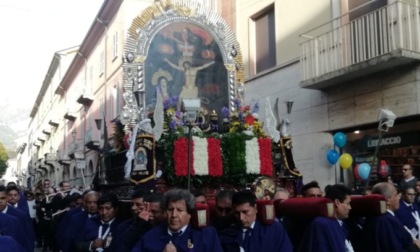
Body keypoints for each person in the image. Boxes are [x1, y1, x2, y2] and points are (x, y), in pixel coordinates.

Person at [131, 188, 223, 251]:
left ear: (189, 214)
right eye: (170, 210)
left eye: (180, 210)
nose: (174, 215)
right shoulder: (151, 235)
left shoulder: (206, 235)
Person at [219, 190, 293, 252]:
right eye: (237, 213)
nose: (241, 218)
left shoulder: (274, 229)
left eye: (245, 212)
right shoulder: (226, 231)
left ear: (255, 208)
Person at [364, 182, 420, 251]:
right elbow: (395, 248)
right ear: (388, 200)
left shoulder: (374, 217)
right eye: (396, 195)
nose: (399, 197)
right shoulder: (387, 221)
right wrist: (416, 247)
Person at [298, 184, 354, 252]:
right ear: (337, 202)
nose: (350, 207)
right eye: (347, 203)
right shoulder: (321, 224)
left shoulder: (340, 224)